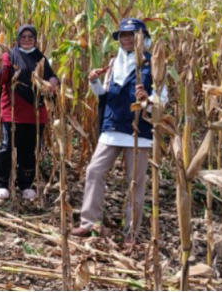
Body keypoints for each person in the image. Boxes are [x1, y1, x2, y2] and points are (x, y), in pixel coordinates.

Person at [71, 18, 167, 243]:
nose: (126, 39)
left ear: (142, 37)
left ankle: (131, 233)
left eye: (131, 34)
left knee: (135, 182)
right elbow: (105, 95)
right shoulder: (113, 63)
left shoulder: (152, 64)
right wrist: (93, 82)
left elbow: (163, 99)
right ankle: (89, 223)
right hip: (112, 127)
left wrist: (148, 99)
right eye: (123, 35)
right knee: (94, 171)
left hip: (139, 132)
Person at [0, 24, 59, 200]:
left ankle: (26, 184)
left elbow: (51, 76)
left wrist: (52, 84)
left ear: (35, 39)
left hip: (35, 113)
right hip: (12, 110)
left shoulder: (40, 57)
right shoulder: (9, 55)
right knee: (6, 148)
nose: (27, 39)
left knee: (28, 150)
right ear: (18, 38)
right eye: (23, 36)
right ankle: (1, 183)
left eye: (30, 36)